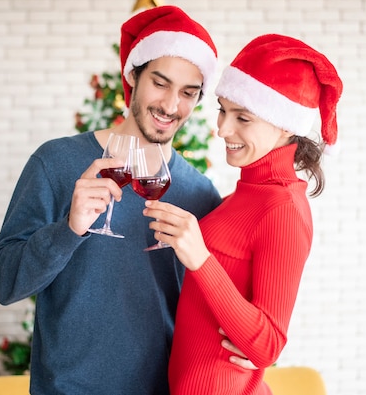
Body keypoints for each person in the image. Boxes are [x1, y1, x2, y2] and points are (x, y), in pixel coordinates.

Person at [0, 6, 227, 395]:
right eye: (160, 83)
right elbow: (3, 284)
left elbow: (215, 307)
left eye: (188, 92)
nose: (170, 106)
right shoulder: (56, 163)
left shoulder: (199, 194)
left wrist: (242, 349)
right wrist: (67, 230)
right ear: (132, 75)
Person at [142, 34, 343, 394]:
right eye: (222, 109)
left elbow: (267, 345)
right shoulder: (246, 192)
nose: (222, 129)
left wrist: (200, 258)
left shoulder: (283, 209)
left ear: (285, 125)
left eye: (243, 118)